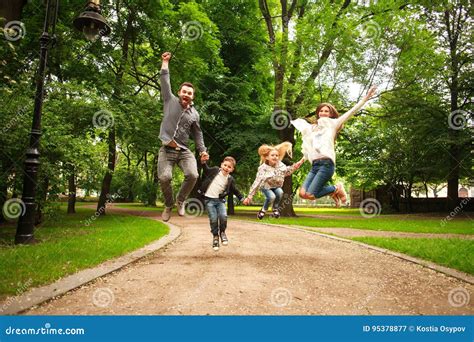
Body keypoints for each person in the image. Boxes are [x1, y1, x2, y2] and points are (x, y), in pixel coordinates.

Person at [291, 86, 377, 206]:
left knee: (311, 195)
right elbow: (308, 147)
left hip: (326, 164)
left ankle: (337, 188)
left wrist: (365, 98)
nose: (323, 113)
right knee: (302, 194)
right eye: (321, 111)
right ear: (318, 113)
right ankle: (332, 191)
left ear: (331, 114)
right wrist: (301, 161)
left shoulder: (333, 124)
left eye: (326, 111)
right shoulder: (311, 128)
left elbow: (351, 112)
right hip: (315, 165)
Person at [158, 51, 209, 221]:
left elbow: (198, 134)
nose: (186, 94)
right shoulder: (169, 101)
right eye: (184, 91)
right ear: (179, 92)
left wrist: (202, 151)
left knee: (193, 175)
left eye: (190, 93)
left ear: (192, 96)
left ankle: (180, 200)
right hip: (167, 149)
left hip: (184, 150)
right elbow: (165, 81)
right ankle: (168, 204)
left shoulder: (195, 114)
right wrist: (165, 62)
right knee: (165, 177)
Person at [242, 142, 304, 219]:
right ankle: (263, 211)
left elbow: (288, 171)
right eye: (272, 155)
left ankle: (275, 208)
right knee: (271, 197)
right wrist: (250, 196)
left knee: (280, 192)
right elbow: (257, 182)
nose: (275, 157)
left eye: (277, 155)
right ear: (267, 157)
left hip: (276, 186)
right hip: (265, 186)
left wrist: (297, 165)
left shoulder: (280, 165)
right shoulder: (263, 168)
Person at [198, 156, 245, 251]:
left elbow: (235, 190)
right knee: (214, 219)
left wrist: (242, 198)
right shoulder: (215, 170)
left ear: (232, 169)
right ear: (221, 165)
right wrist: (203, 162)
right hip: (209, 200)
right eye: (225, 165)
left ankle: (222, 232)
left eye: (229, 167)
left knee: (223, 216)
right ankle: (215, 237)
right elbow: (206, 169)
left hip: (220, 201)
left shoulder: (230, 179)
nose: (226, 168)